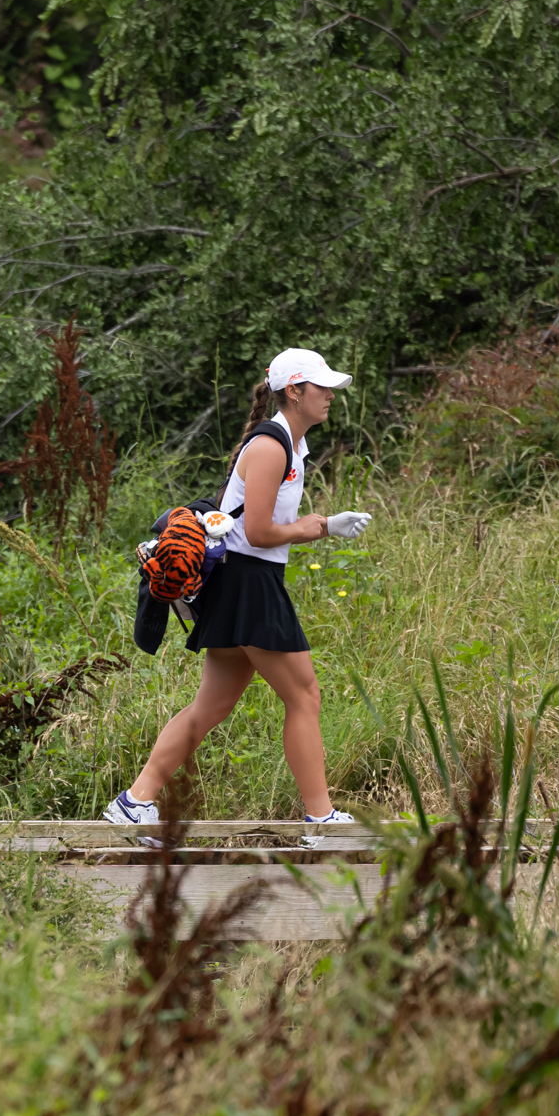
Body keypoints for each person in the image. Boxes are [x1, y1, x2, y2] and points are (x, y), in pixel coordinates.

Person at [106, 348, 374, 840]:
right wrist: (320, 528)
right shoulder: (272, 446)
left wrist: (313, 526)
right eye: (321, 387)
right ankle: (321, 818)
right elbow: (258, 532)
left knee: (213, 706)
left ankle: (134, 801)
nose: (331, 396)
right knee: (305, 696)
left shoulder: (286, 444)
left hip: (239, 581)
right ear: (294, 391)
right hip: (249, 580)